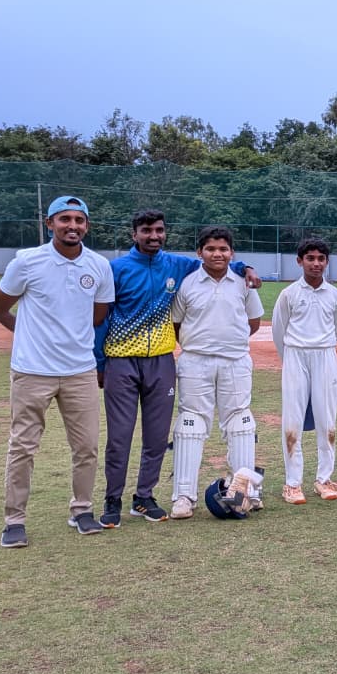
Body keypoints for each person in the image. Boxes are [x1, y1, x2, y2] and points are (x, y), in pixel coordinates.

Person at [95, 209, 257, 527]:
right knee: (121, 436)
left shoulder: (177, 265)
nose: (153, 236)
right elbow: (101, 318)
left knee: (157, 437)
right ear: (134, 234)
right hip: (122, 360)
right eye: (146, 230)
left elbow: (219, 262)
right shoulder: (116, 269)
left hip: (162, 361)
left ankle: (144, 497)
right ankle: (113, 499)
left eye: (159, 230)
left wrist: (244, 267)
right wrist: (100, 362)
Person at [0, 195, 115, 548]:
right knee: (23, 447)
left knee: (87, 447)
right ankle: (14, 521)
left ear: (86, 225)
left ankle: (82, 510)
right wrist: (29, 337)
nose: (72, 226)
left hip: (80, 372)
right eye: (65, 219)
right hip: (32, 371)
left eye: (79, 220)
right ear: (50, 224)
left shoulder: (99, 266)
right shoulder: (27, 262)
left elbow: (98, 314)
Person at [169, 226, 265, 519]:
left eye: (223, 249)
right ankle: (183, 496)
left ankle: (245, 492)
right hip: (195, 361)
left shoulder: (243, 283)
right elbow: (176, 323)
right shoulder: (187, 283)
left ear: (232, 253)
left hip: (235, 361)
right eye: (210, 249)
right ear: (200, 252)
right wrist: (203, 343)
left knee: (241, 422)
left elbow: (253, 322)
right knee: (190, 422)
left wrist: (229, 343)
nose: (217, 254)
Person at [272, 236, 337, 503]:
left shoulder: (335, 295)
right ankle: (292, 483)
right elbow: (279, 330)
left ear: (327, 262)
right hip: (295, 355)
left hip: (325, 355)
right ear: (299, 261)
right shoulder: (289, 294)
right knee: (292, 420)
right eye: (310, 258)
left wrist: (321, 349)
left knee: (327, 419)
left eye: (321, 259)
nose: (316, 263)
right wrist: (290, 359)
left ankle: (324, 479)